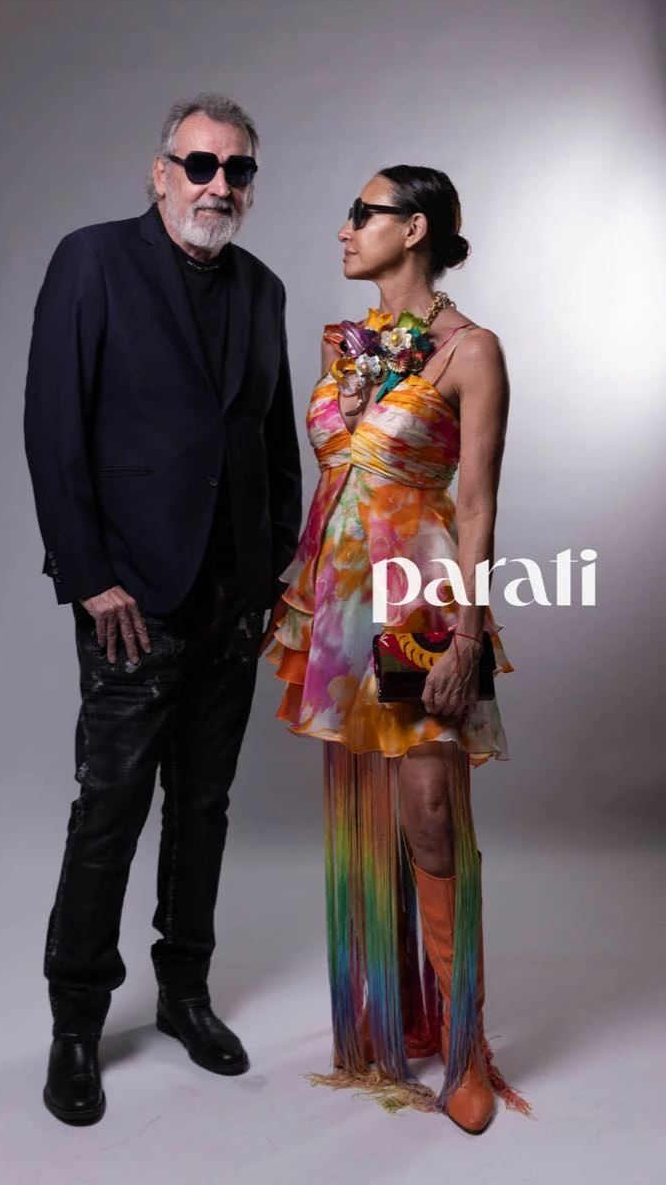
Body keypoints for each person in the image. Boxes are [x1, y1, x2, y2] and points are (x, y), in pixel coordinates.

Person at [24, 92, 302, 1126]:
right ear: (161, 173)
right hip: (130, 597)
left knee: (204, 807)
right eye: (199, 165)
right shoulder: (93, 260)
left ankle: (185, 994)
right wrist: (88, 573)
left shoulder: (263, 289)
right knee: (109, 808)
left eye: (236, 170)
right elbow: (53, 423)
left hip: (234, 599)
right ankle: (76, 1022)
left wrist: (275, 573)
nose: (217, 186)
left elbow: (273, 445)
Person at [264, 166, 530, 1134]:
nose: (343, 230)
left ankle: (463, 1044)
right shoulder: (342, 345)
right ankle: (385, 1021)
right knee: (367, 813)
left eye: (361, 214)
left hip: (417, 600)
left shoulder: (471, 350)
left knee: (428, 808)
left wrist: (468, 635)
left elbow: (475, 505)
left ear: (413, 229)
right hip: (339, 604)